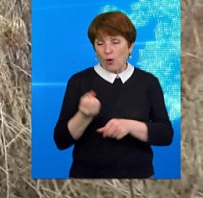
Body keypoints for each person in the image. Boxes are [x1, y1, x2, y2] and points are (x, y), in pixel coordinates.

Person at [52, 10, 173, 178]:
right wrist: (84, 115)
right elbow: (61, 140)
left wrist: (129, 126)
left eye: (115, 42)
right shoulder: (79, 81)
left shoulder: (148, 82)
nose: (107, 50)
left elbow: (166, 135)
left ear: (130, 46)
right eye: (100, 43)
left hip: (138, 179)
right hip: (86, 180)